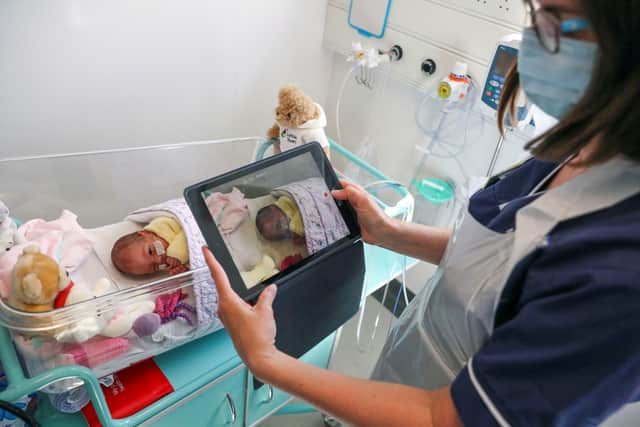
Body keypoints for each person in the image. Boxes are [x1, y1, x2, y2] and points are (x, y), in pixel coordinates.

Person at [202, 0, 640, 425]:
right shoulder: (584, 145)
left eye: (555, 22)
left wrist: (266, 361)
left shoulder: (623, 280)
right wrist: (389, 231)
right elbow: (501, 258)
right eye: (535, 14)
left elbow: (443, 418)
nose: (528, 40)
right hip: (409, 372)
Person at [111, 216, 189, 276]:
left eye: (150, 251)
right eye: (155, 267)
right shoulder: (168, 266)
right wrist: (184, 269)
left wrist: (176, 255)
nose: (159, 260)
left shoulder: (163, 225)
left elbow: (190, 227)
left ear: (145, 233)